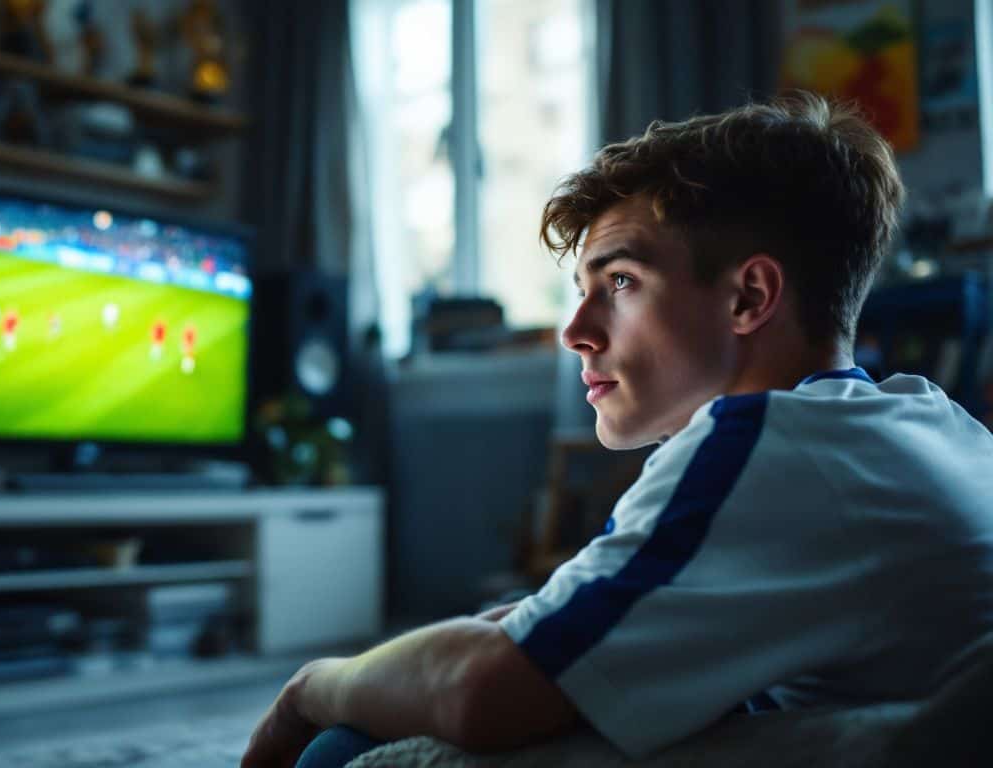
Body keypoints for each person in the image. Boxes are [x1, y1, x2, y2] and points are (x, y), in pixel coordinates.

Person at [240, 93, 993, 768]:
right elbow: (577, 615)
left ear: (749, 296)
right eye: (580, 291)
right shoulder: (927, 417)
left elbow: (483, 692)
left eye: (621, 282)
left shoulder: (763, 440)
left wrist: (312, 686)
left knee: (343, 747)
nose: (574, 331)